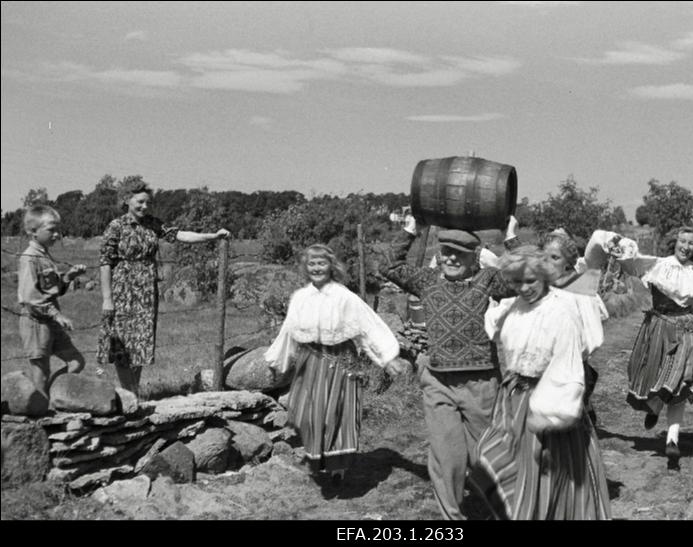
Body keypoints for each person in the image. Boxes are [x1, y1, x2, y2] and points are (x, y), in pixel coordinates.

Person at [380, 215, 520, 520]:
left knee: (486, 458)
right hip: (438, 380)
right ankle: (451, 519)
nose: (452, 258)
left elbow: (527, 276)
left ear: (475, 258)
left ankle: (506, 510)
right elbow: (388, 266)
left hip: (481, 384)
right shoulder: (427, 281)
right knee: (447, 458)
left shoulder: (487, 281)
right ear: (438, 254)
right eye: (446, 251)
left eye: (461, 253)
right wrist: (409, 230)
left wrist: (510, 239)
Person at [471, 245, 612, 520]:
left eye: (530, 281)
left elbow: (568, 366)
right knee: (489, 457)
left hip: (548, 402)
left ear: (545, 277)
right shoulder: (513, 307)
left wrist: (551, 414)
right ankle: (520, 509)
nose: (524, 288)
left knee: (548, 472)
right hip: (514, 400)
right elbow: (496, 328)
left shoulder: (561, 310)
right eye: (517, 282)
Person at [263, 244, 407, 482]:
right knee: (306, 412)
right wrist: (276, 359)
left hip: (340, 359)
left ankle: (338, 465)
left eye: (321, 263)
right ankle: (318, 458)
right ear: (305, 267)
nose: (316, 268)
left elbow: (367, 326)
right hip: (310, 360)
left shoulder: (344, 296)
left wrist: (388, 357)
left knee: (337, 412)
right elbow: (288, 331)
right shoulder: (300, 297)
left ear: (331, 266)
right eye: (312, 264)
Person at [586, 226, 693, 464]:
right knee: (648, 375)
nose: (686, 247)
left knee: (680, 384)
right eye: (682, 241)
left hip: (684, 330)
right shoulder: (658, 265)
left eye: (691, 243)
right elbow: (632, 262)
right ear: (674, 242)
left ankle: (672, 440)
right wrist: (611, 243)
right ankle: (653, 407)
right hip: (657, 328)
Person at [97, 179, 230, 397]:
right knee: (121, 345)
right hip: (123, 291)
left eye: (147, 203)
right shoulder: (116, 227)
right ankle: (128, 394)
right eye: (140, 202)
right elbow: (105, 262)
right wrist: (107, 298)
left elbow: (179, 235)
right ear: (126, 200)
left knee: (140, 344)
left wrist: (213, 236)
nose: (144, 207)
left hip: (147, 293)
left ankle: (134, 393)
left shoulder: (153, 224)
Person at [17, 205, 86, 397]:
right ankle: (39, 415)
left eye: (58, 230)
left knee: (76, 362)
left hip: (50, 321)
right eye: (51, 230)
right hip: (36, 322)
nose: (57, 234)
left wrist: (68, 277)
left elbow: (51, 291)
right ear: (33, 232)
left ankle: (51, 396)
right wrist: (57, 314)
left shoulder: (45, 256)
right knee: (40, 372)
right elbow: (31, 298)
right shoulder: (29, 258)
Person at [541, 228, 608, 425]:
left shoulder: (579, 288)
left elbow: (596, 328)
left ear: (568, 263)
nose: (547, 263)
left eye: (554, 257)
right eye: (543, 257)